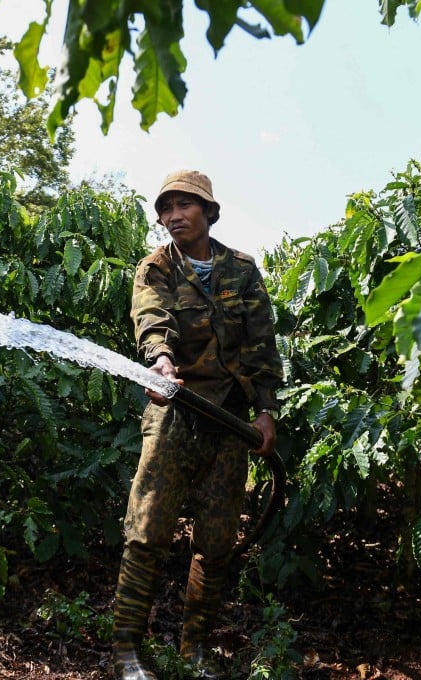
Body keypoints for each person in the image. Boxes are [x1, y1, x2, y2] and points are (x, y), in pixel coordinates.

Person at [111, 170, 284, 679]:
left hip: (229, 421)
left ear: (209, 211)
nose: (173, 216)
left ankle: (195, 651)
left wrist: (265, 410)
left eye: (184, 205)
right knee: (146, 534)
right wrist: (161, 361)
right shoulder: (157, 266)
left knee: (217, 542)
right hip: (174, 413)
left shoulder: (243, 270)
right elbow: (151, 318)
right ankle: (125, 653)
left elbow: (260, 344)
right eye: (166, 208)